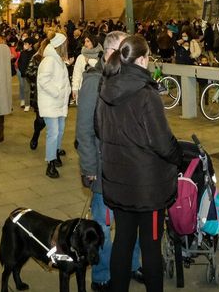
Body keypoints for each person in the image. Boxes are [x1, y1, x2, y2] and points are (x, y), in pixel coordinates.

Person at [97, 35, 181, 292]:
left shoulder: (106, 88)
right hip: (148, 187)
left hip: (118, 181)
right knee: (151, 244)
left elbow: (99, 131)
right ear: (143, 59)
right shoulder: (146, 94)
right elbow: (163, 142)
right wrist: (178, 156)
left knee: (122, 240)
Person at [76, 31, 138, 292]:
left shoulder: (126, 78)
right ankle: (102, 275)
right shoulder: (94, 82)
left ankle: (132, 266)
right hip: (103, 168)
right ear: (112, 52)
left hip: (128, 166)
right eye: (126, 51)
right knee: (101, 224)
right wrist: (89, 168)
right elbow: (84, 131)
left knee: (131, 221)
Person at [37, 31, 72, 178]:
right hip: (51, 102)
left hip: (59, 102)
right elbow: (43, 80)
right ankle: (50, 162)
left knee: (60, 130)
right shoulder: (50, 60)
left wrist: (67, 91)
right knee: (53, 132)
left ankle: (56, 152)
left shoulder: (57, 59)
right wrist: (58, 93)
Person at [73, 34, 102, 103]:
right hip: (84, 88)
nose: (85, 44)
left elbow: (101, 68)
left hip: (98, 89)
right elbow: (77, 73)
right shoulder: (81, 57)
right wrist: (75, 88)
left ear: (93, 42)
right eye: (84, 42)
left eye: (88, 41)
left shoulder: (101, 55)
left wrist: (89, 60)